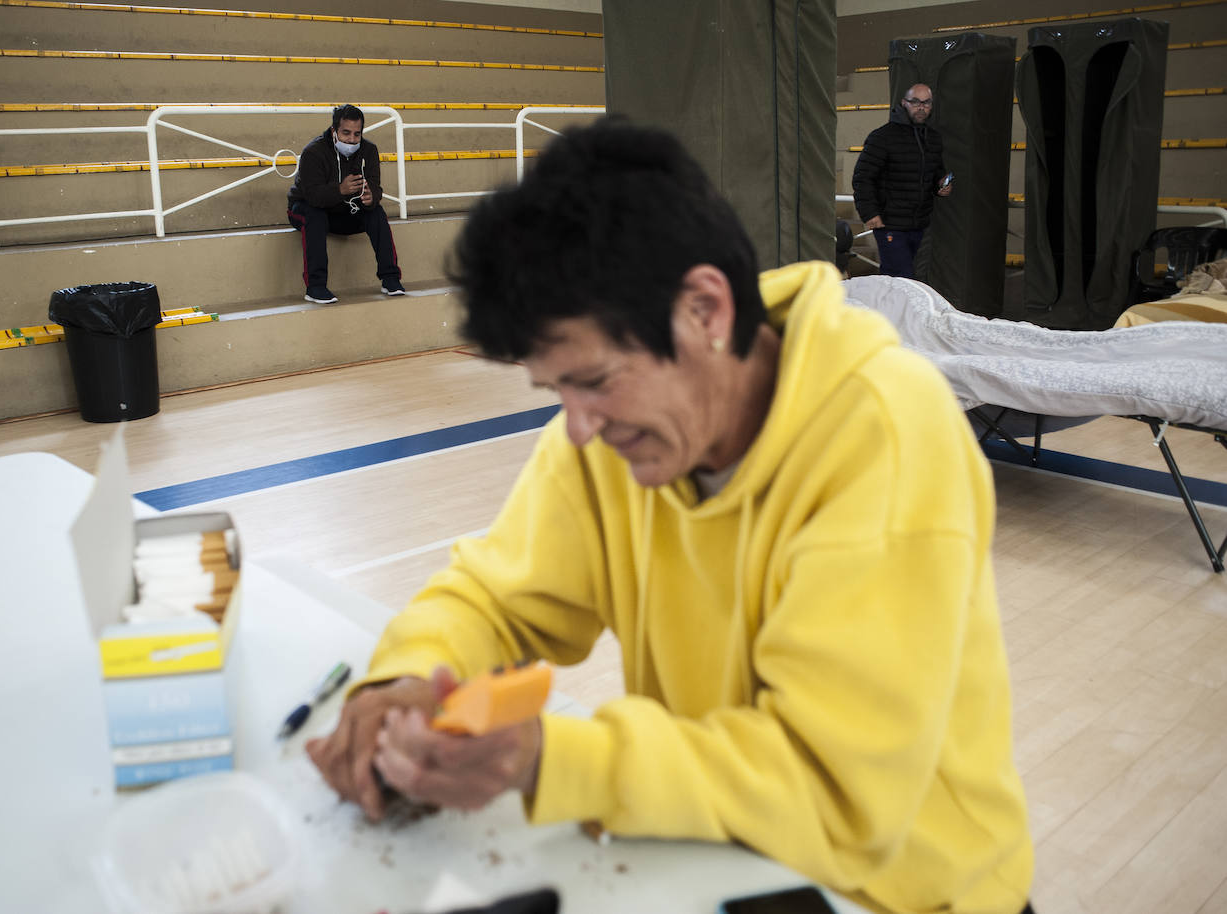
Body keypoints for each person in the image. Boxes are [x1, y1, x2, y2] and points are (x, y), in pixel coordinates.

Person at [307, 119, 1034, 914]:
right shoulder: (610, 437)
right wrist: (407, 678)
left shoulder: (884, 432)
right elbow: (495, 596)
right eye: (556, 393)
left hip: (900, 891)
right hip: (721, 847)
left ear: (705, 310)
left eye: (595, 380)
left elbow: (838, 794)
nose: (576, 428)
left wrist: (554, 760)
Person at [287, 104, 405, 304]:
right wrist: (339, 190)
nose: (351, 140)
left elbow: (376, 187)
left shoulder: (369, 150)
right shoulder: (313, 152)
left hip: (343, 212)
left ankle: (390, 278)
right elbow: (312, 195)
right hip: (305, 207)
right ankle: (315, 287)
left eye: (357, 134)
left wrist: (371, 198)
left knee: (376, 212)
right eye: (346, 133)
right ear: (334, 131)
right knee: (314, 215)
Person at [851, 83, 953, 279]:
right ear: (904, 103)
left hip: (918, 223)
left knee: (896, 279)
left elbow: (934, 173)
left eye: (926, 102)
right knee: (901, 278)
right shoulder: (882, 137)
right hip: (889, 224)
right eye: (915, 102)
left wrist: (940, 186)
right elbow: (862, 177)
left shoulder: (933, 138)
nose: (921, 107)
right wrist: (870, 214)